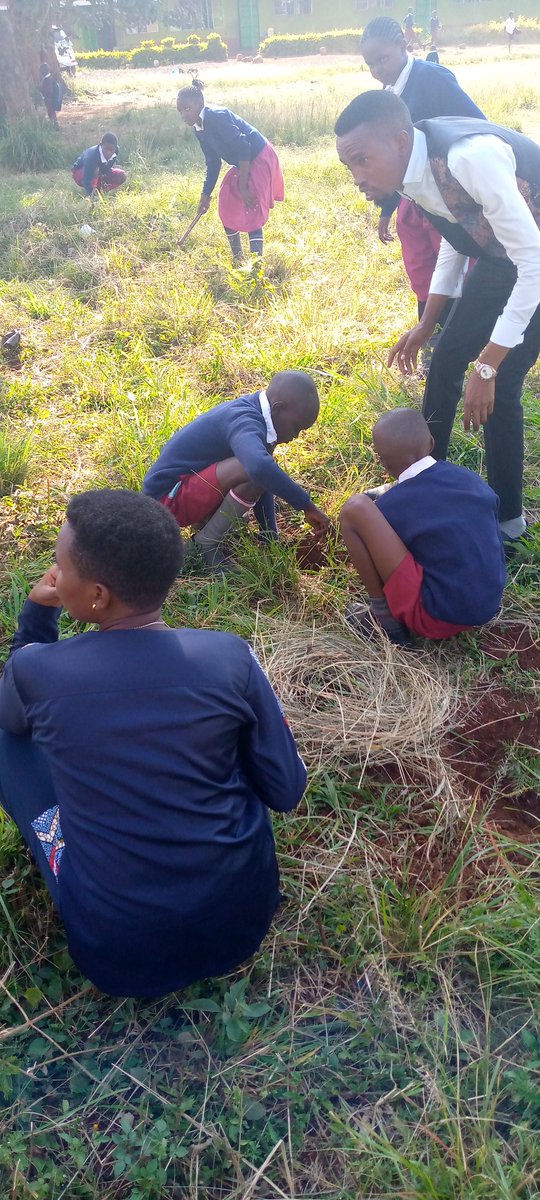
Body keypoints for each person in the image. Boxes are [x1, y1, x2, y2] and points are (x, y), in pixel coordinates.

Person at [0, 489, 307, 998]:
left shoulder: (38, 669)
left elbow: (11, 713)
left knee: (7, 738)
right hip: (242, 923)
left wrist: (36, 618)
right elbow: (287, 789)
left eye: (59, 566)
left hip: (119, 954)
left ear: (97, 595)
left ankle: (65, 851)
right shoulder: (229, 658)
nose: (53, 576)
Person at [335, 89, 540, 549]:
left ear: (401, 141)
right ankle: (424, 484)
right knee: (445, 360)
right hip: (499, 253)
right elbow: (457, 234)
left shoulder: (470, 159)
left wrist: (487, 364)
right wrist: (428, 322)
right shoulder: (413, 173)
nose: (357, 177)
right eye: (349, 165)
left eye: (362, 160)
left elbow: (534, 265)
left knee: (502, 385)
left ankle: (508, 518)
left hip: (535, 256)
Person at [339, 409, 506, 645]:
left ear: (384, 463)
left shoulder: (391, 507)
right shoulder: (470, 480)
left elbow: (386, 549)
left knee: (355, 508)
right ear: (431, 443)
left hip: (436, 615)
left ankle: (383, 619)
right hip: (488, 601)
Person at [359, 18, 484, 330]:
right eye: (370, 64)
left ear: (404, 45)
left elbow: (478, 125)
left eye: (383, 59)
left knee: (453, 268)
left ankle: (456, 336)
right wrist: (387, 209)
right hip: (413, 198)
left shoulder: (431, 78)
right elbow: (394, 159)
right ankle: (428, 332)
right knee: (421, 267)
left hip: (447, 195)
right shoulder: (388, 96)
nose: (377, 69)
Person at [143, 371, 330, 568]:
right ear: (278, 409)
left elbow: (264, 478)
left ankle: (206, 524)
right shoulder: (244, 421)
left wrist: (270, 537)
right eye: (296, 427)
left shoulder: (259, 417)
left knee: (261, 471)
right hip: (167, 501)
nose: (296, 436)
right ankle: (205, 544)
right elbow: (259, 469)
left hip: (185, 490)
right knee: (254, 468)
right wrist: (306, 505)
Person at [177, 78, 284, 263]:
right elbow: (213, 162)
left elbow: (244, 147)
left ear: (200, 104)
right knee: (226, 203)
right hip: (243, 161)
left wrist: (243, 186)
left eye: (187, 109)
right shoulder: (198, 128)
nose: (184, 115)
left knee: (251, 205)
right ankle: (238, 259)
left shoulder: (216, 116)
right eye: (180, 111)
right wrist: (206, 194)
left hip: (258, 156)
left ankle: (255, 266)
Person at [72, 133, 127, 199]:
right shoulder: (91, 156)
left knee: (122, 176)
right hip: (80, 173)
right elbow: (86, 180)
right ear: (101, 145)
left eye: (111, 150)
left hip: (100, 172)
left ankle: (100, 192)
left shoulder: (116, 151)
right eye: (106, 149)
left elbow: (108, 168)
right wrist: (92, 195)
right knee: (96, 170)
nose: (108, 153)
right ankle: (93, 193)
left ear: (115, 148)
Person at [39, 61, 62, 130]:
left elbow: (49, 91)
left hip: (49, 99)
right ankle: (55, 124)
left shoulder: (47, 80)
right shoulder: (50, 78)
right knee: (51, 112)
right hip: (50, 98)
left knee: (51, 112)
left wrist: (44, 95)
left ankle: (55, 125)